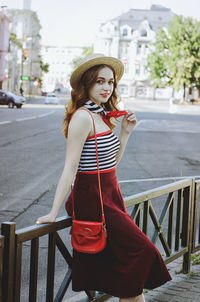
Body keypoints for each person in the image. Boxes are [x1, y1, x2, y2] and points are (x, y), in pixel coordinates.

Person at [36, 53, 172, 302]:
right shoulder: (82, 117)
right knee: (140, 251)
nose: (106, 87)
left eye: (110, 82)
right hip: (92, 199)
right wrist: (54, 212)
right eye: (100, 81)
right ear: (87, 83)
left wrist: (125, 134)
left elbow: (111, 163)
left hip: (110, 194)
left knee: (129, 276)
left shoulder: (102, 115)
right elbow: (70, 167)